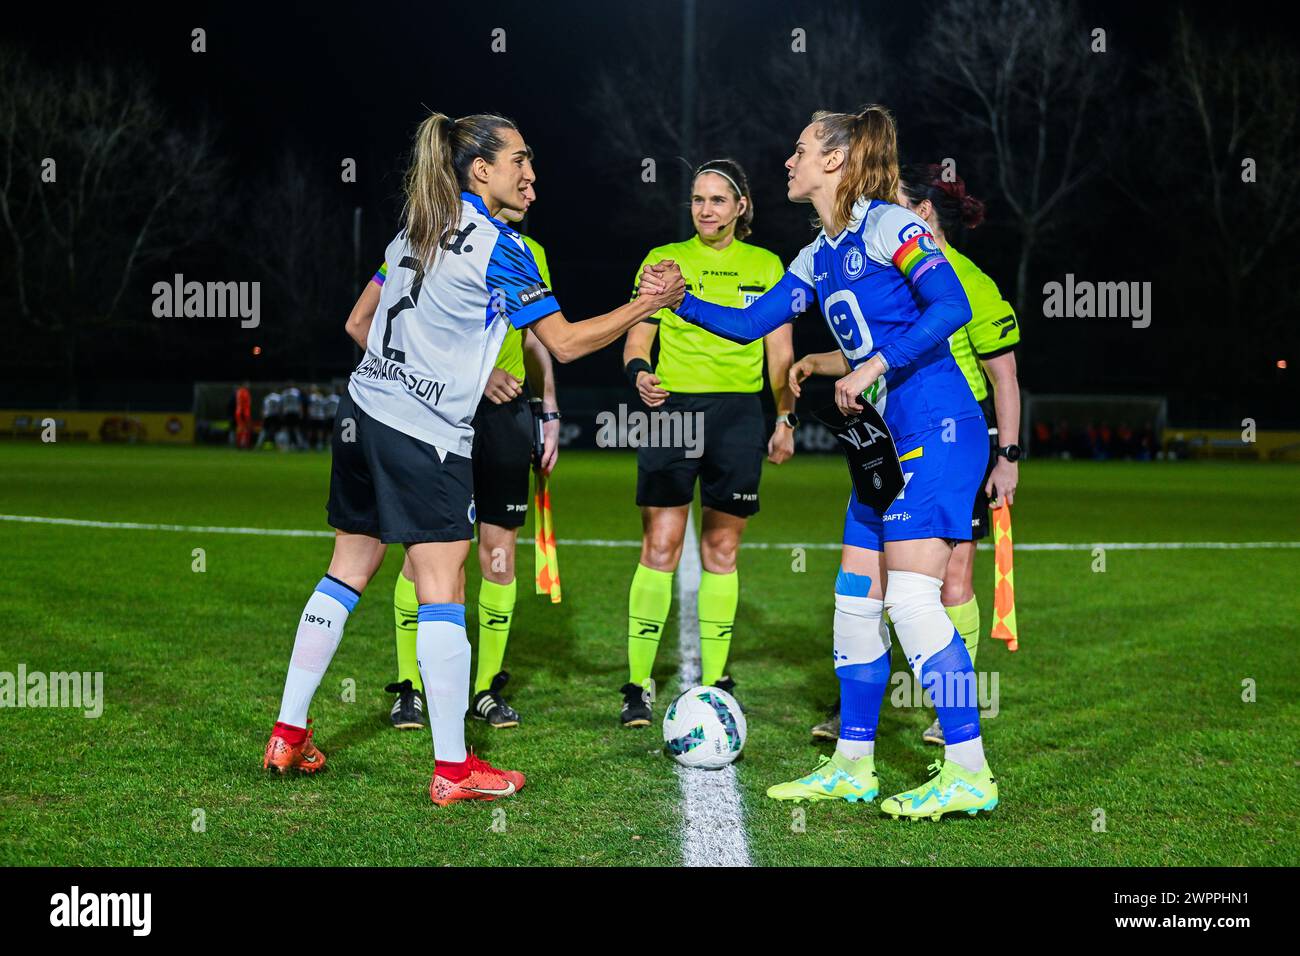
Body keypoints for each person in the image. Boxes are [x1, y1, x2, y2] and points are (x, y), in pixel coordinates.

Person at [262, 110, 683, 807]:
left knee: (346, 570)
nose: (532, 175)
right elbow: (568, 343)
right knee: (441, 591)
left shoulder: (415, 227)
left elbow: (359, 324)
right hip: (424, 437)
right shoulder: (501, 245)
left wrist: (427, 371)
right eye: (521, 160)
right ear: (480, 169)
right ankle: (454, 769)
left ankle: (288, 731)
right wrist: (647, 304)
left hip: (361, 414)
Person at [639, 105, 997, 819]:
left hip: (941, 428)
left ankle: (969, 769)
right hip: (886, 447)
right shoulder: (819, 253)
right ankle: (853, 763)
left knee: (913, 601)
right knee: (854, 604)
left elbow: (950, 303)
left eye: (799, 150)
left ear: (834, 161)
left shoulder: (891, 225)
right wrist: (677, 301)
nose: (787, 162)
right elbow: (748, 325)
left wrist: (874, 367)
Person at [805, 163, 1022, 744]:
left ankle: (951, 712)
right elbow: (875, 347)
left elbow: (1004, 378)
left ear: (921, 211)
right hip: (894, 436)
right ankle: (855, 715)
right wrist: (819, 363)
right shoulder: (891, 269)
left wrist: (1009, 456)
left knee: (950, 584)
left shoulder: (967, 282)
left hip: (952, 440)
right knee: (867, 584)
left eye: (892, 198)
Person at [618, 159, 794, 727]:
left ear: (741, 206)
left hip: (739, 416)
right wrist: (640, 372)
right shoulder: (663, 262)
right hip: (672, 411)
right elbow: (636, 336)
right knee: (661, 547)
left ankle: (718, 681)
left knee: (722, 551)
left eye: (718, 199)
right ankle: (638, 685)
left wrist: (784, 416)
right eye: (697, 199)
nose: (706, 209)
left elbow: (779, 352)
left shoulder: (767, 266)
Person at [383, 183, 561, 731]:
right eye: (520, 170)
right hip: (442, 408)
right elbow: (399, 326)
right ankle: (408, 687)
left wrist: (547, 408)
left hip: (508, 418)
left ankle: (484, 689)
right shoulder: (433, 241)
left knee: (498, 551)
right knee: (427, 553)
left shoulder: (529, 255)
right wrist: (477, 376)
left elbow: (538, 338)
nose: (531, 186)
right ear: (482, 176)